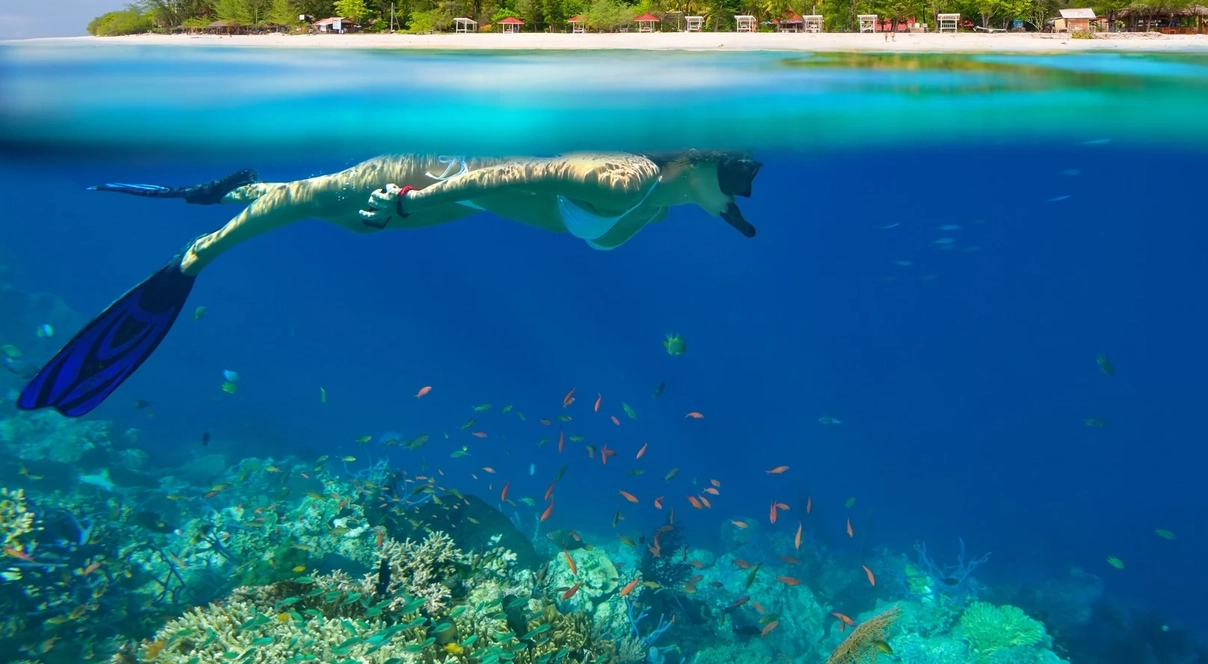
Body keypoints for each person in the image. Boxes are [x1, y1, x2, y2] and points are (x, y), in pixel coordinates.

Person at [16, 151, 762, 418]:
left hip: (436, 207)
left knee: (322, 200)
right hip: (426, 179)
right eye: (738, 170)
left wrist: (422, 212)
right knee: (317, 201)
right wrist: (416, 201)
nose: (744, 186)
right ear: (695, 158)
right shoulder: (628, 178)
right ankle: (197, 256)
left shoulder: (655, 212)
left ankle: (238, 187)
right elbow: (514, 174)